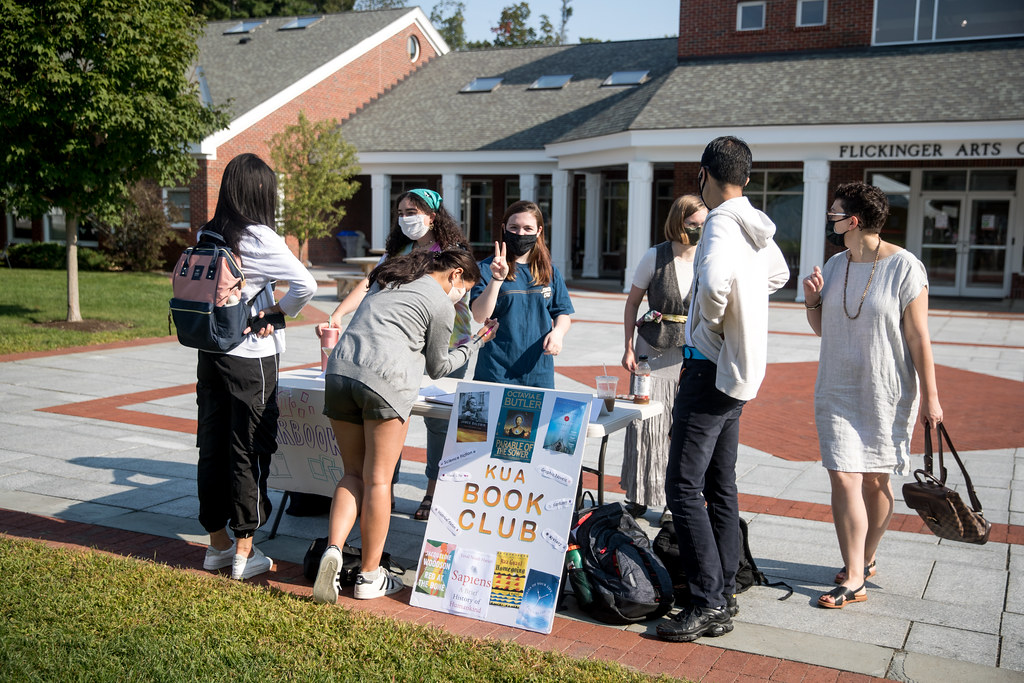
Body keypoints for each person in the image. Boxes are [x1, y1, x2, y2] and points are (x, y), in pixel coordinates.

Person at [657, 137, 789, 643]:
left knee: (683, 487)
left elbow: (712, 287)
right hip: (738, 374)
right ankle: (726, 587)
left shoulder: (719, 222)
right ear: (747, 179)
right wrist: (743, 313)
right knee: (720, 484)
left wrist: (711, 327)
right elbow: (779, 274)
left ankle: (709, 601)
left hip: (708, 369)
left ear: (704, 174)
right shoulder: (755, 223)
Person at [312, 249, 497, 603]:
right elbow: (438, 367)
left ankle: (333, 549)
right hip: (385, 381)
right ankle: (369, 576)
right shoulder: (440, 302)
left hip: (339, 373)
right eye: (466, 289)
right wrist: (475, 343)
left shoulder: (391, 279)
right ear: (456, 274)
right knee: (378, 480)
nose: (462, 297)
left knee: (351, 474)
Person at [804, 182, 942, 609]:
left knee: (876, 479)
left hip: (886, 389)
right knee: (843, 475)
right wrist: (812, 301)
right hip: (836, 387)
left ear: (853, 221)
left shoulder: (905, 267)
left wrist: (932, 398)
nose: (829, 219)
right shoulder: (835, 264)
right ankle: (855, 577)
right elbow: (825, 329)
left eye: (834, 213)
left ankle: (866, 556)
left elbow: (918, 337)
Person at [196, 152, 317, 581]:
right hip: (252, 359)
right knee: (248, 448)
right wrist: (278, 312)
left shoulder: (207, 232)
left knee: (212, 444)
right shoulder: (259, 236)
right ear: (259, 191)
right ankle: (245, 552)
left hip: (211, 354)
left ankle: (218, 545)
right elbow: (307, 284)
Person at [317, 189, 470, 522]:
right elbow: (369, 284)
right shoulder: (398, 251)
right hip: (401, 348)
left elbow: (462, 296)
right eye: (400, 213)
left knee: (437, 422)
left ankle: (432, 490)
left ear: (433, 216)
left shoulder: (450, 253)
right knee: (386, 413)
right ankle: (382, 491)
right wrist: (338, 314)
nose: (404, 219)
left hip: (445, 341)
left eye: (411, 212)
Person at [620, 194, 707, 522]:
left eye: (703, 224)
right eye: (692, 223)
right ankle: (638, 494)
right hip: (651, 350)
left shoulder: (708, 258)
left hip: (692, 353)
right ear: (678, 221)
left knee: (681, 428)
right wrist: (628, 347)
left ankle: (676, 499)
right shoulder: (655, 256)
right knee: (645, 426)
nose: (698, 229)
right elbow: (632, 303)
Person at [470, 200, 574, 389]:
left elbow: (563, 313)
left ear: (539, 231)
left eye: (528, 228)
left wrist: (558, 333)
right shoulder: (486, 268)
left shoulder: (549, 271)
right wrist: (497, 279)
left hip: (538, 371)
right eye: (514, 227)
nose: (520, 233)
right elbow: (479, 315)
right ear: (504, 228)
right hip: (495, 371)